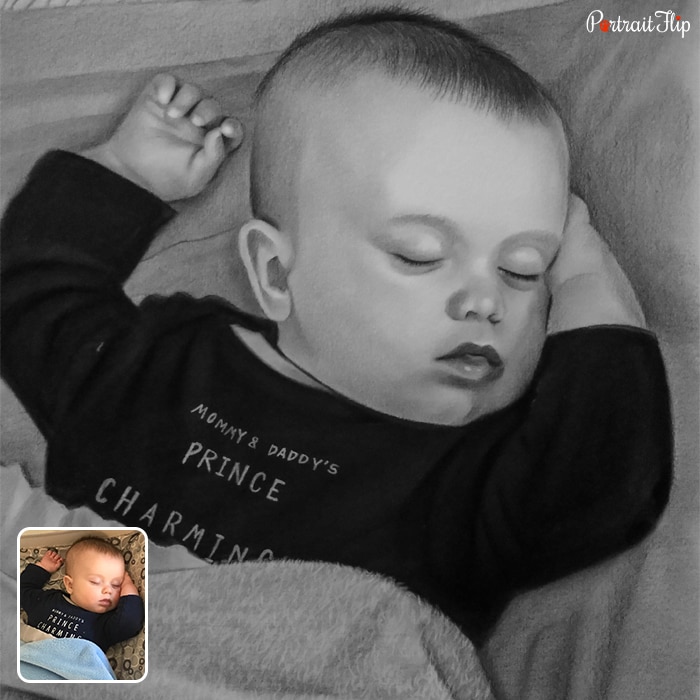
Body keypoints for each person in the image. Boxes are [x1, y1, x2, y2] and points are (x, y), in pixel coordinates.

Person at [1, 10, 672, 639]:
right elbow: (31, 295)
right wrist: (124, 172)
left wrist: (586, 282)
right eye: (420, 255)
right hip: (82, 653)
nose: (485, 301)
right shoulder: (166, 363)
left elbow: (604, 483)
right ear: (275, 273)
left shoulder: (470, 481)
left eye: (524, 270)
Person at [20, 537, 144, 652]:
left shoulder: (105, 624)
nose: (108, 590)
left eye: (116, 585)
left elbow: (130, 623)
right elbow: (22, 588)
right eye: (95, 582)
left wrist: (128, 585)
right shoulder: (46, 601)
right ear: (70, 585)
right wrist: (43, 568)